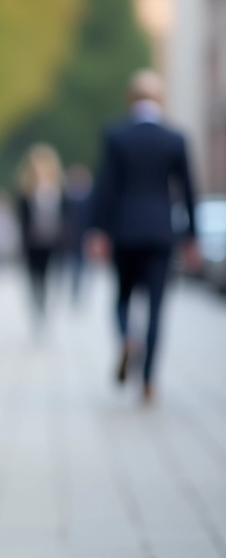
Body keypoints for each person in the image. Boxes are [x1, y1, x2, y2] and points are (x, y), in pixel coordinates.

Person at [87, 70, 200, 403]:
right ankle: (149, 381)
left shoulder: (116, 136)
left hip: (124, 230)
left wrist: (98, 230)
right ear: (160, 100)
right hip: (161, 233)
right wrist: (191, 236)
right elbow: (188, 189)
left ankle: (125, 338)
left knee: (122, 296)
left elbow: (105, 187)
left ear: (130, 98)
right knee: (156, 306)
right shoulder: (175, 138)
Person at [15, 143, 65, 329]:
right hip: (32, 240)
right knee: (33, 276)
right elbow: (21, 218)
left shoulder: (58, 188)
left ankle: (43, 303)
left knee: (46, 274)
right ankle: (37, 304)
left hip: (51, 240)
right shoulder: (26, 189)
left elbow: (65, 215)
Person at [62, 164, 94, 305]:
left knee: (81, 267)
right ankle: (72, 292)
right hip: (71, 237)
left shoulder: (89, 198)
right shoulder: (67, 197)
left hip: (84, 237)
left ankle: (79, 294)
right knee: (73, 266)